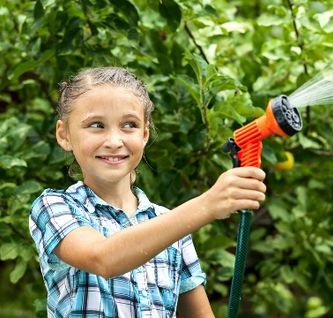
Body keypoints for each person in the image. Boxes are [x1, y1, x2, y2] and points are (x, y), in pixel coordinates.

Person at [29, 67, 266, 318]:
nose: (114, 141)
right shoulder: (54, 206)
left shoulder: (170, 227)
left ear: (145, 133)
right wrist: (208, 204)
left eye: (129, 125)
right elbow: (102, 258)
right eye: (96, 125)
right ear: (64, 134)